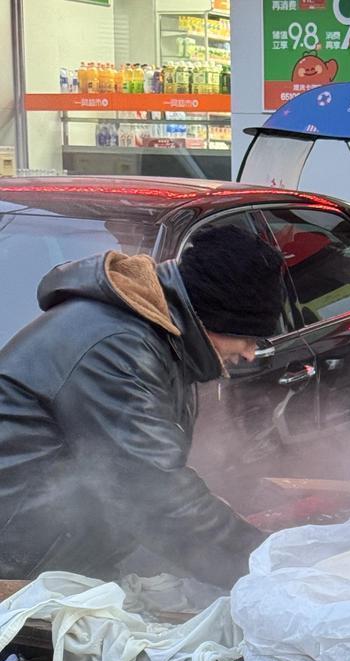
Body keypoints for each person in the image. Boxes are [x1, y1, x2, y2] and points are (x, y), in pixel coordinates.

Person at [0, 224, 284, 589]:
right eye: (248, 337)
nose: (250, 354)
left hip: (55, 553)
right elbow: (155, 494)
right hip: (15, 565)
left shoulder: (158, 336)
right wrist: (267, 569)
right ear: (214, 317)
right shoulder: (117, 346)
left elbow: (147, 475)